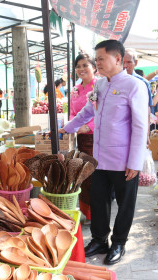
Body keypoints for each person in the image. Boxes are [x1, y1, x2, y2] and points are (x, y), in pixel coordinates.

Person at [59, 40, 148, 265]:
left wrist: (135, 161)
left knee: (125, 203)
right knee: (99, 201)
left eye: (100, 58)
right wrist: (66, 128)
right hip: (99, 158)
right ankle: (100, 240)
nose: (97, 62)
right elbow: (87, 112)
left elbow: (140, 126)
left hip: (124, 160)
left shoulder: (133, 85)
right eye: (96, 58)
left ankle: (119, 242)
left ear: (117, 59)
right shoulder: (100, 86)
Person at [69, 53, 97, 223]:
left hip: (95, 138)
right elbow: (73, 112)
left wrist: (89, 126)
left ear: (94, 67)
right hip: (79, 139)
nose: (81, 69)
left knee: (94, 176)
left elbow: (104, 113)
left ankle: (96, 213)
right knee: (82, 176)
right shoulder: (75, 89)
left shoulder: (99, 87)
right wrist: (72, 126)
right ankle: (86, 212)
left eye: (85, 65)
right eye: (78, 66)